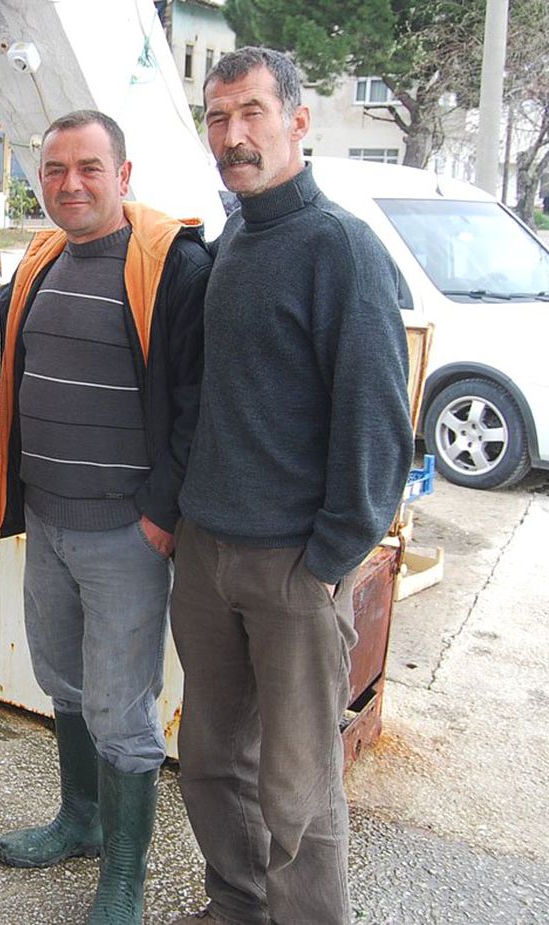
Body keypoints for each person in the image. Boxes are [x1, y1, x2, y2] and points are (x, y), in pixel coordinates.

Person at [170, 48, 412, 925]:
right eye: (219, 117)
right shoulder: (238, 234)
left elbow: (379, 421)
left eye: (252, 113)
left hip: (293, 569)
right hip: (207, 555)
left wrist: (330, 558)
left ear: (298, 122)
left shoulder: (340, 248)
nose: (234, 135)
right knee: (207, 759)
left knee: (299, 787)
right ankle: (239, 903)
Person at [0, 109, 210, 925]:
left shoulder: (173, 264)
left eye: (89, 168)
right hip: (46, 519)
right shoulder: (41, 260)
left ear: (124, 174)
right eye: (54, 170)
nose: (70, 184)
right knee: (62, 680)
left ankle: (125, 873)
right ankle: (79, 820)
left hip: (128, 532)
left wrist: (161, 514)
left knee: (124, 709)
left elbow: (198, 399)